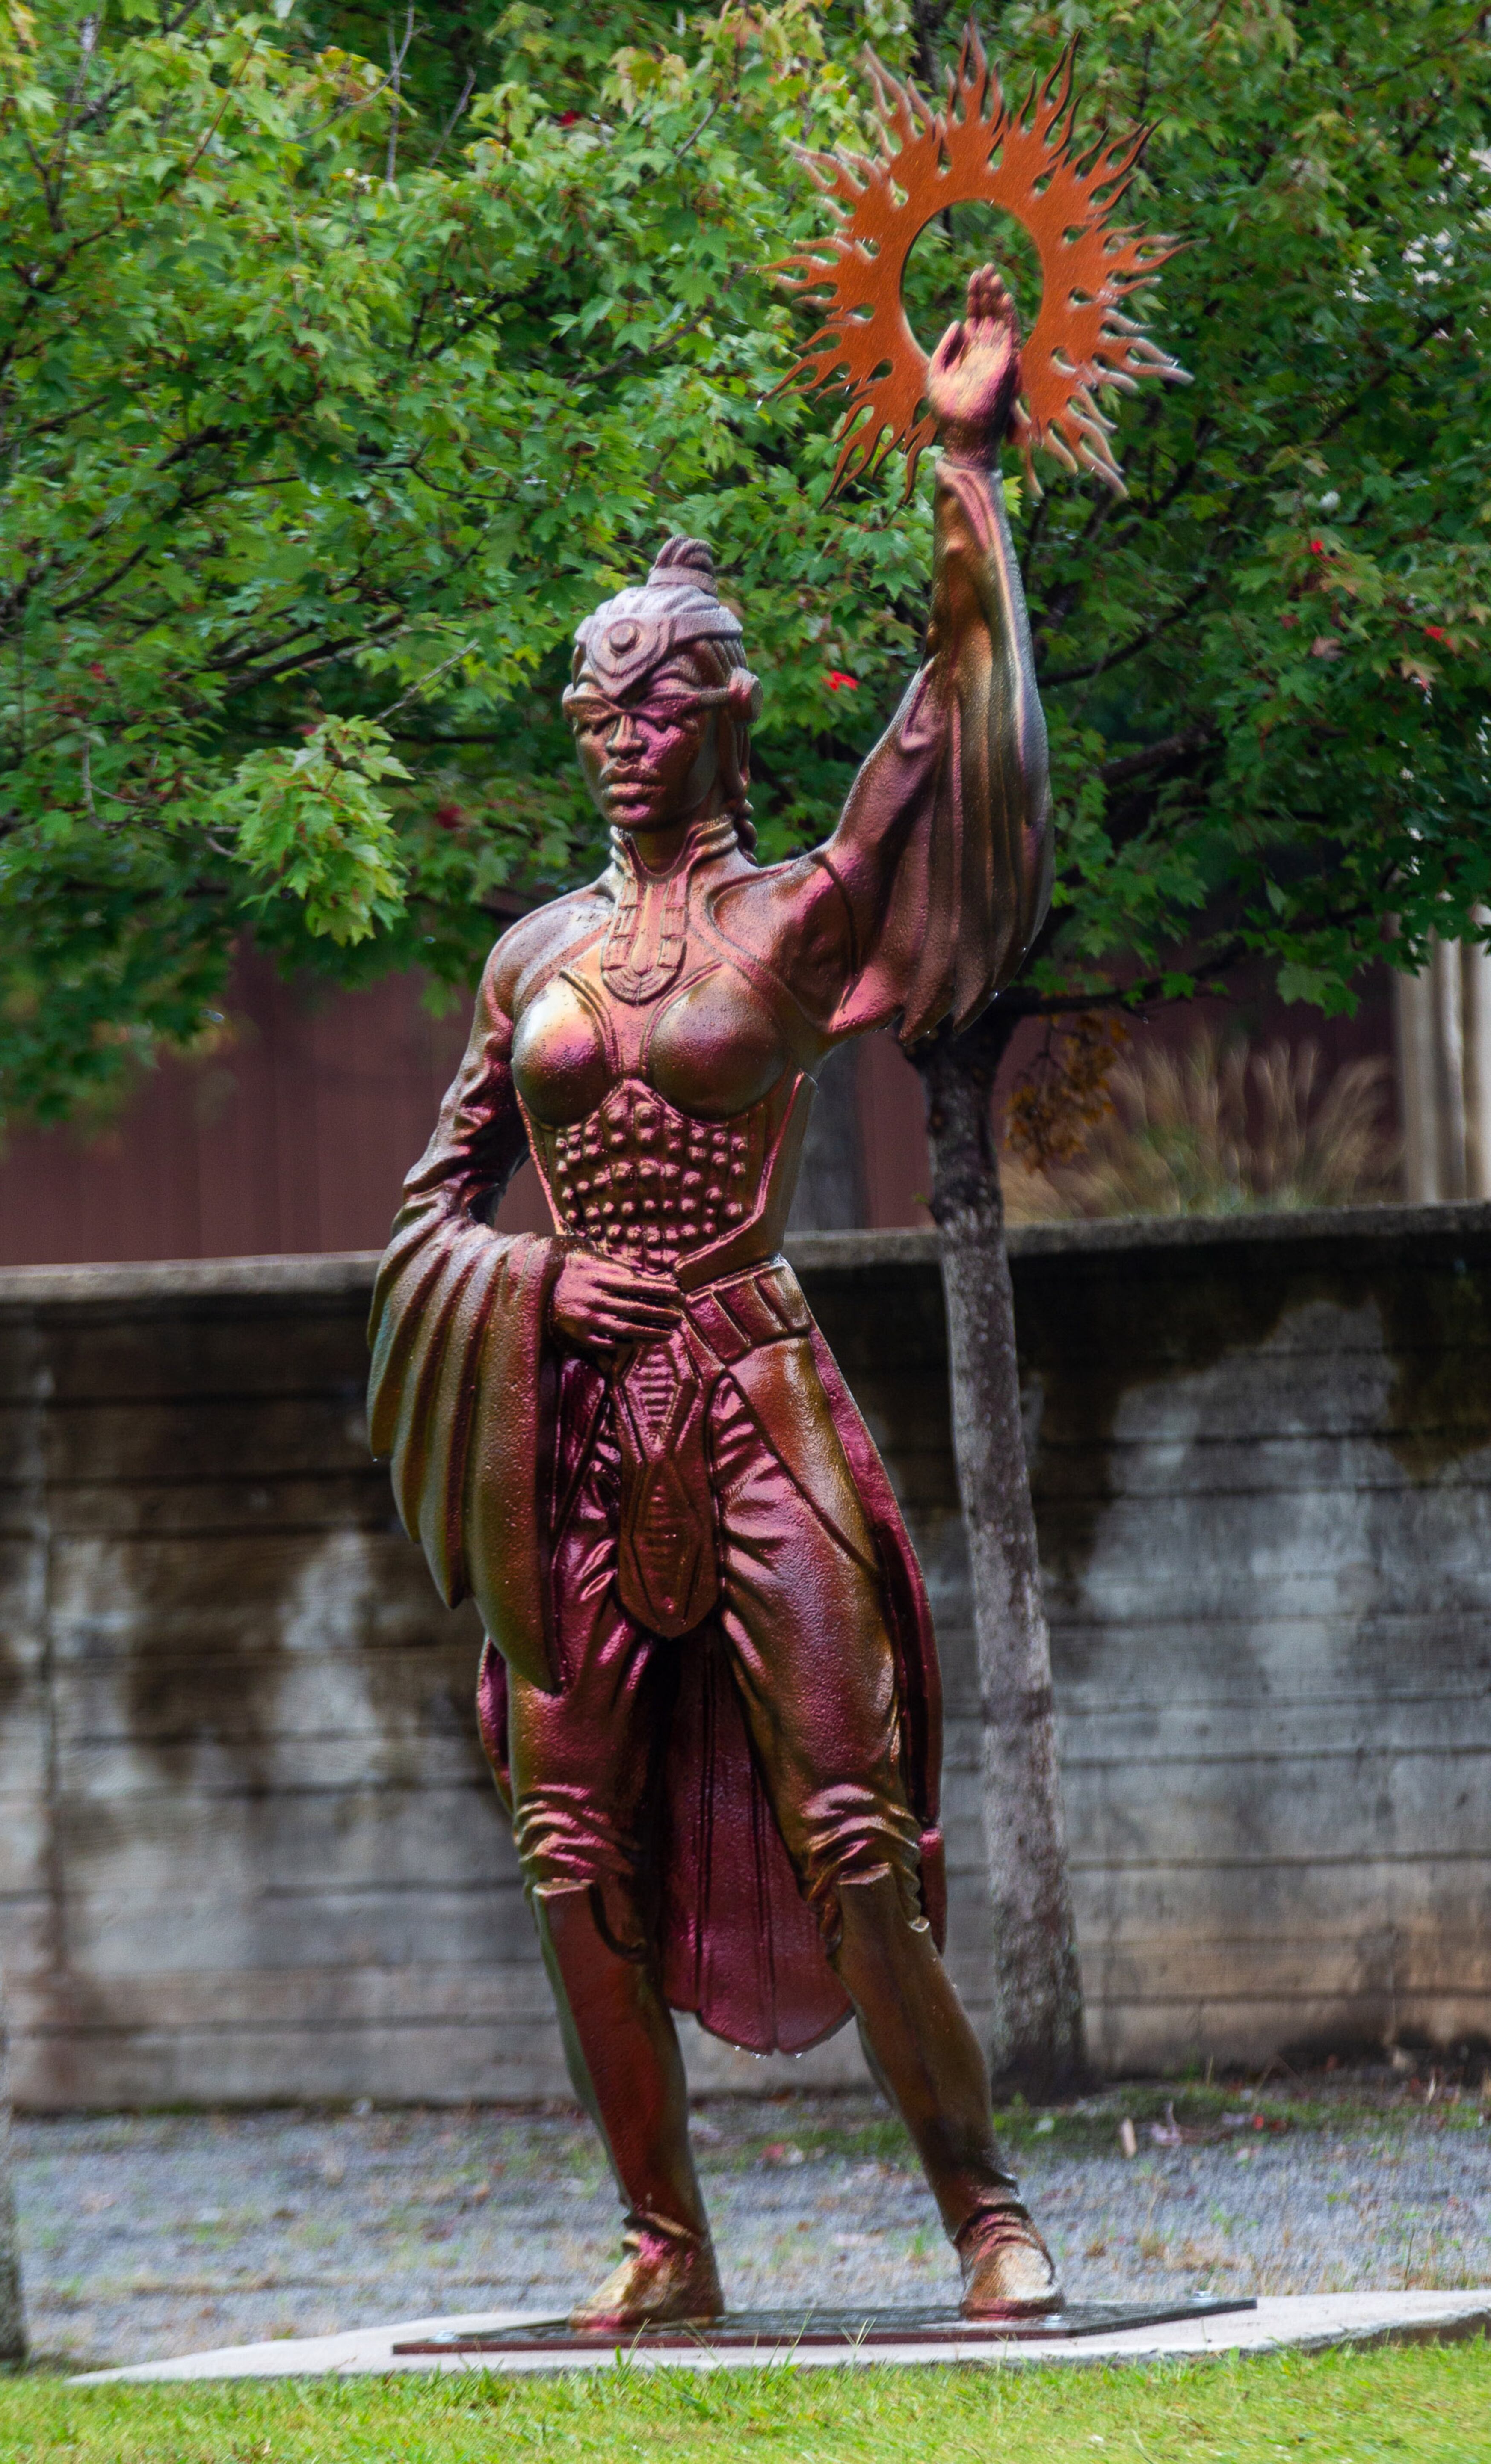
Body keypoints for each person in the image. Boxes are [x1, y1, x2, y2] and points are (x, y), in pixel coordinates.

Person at [370, 268, 1059, 2329]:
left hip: (755, 1397)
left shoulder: (798, 917)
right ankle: (666, 2243)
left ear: (728, 713)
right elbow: (429, 1210)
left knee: (852, 1822)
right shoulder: (530, 960)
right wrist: (529, 1282)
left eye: (656, 707)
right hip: (572, 1430)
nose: (621, 741)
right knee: (568, 1841)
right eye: (598, 714)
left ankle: (986, 2211)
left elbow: (946, 730)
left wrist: (965, 471)